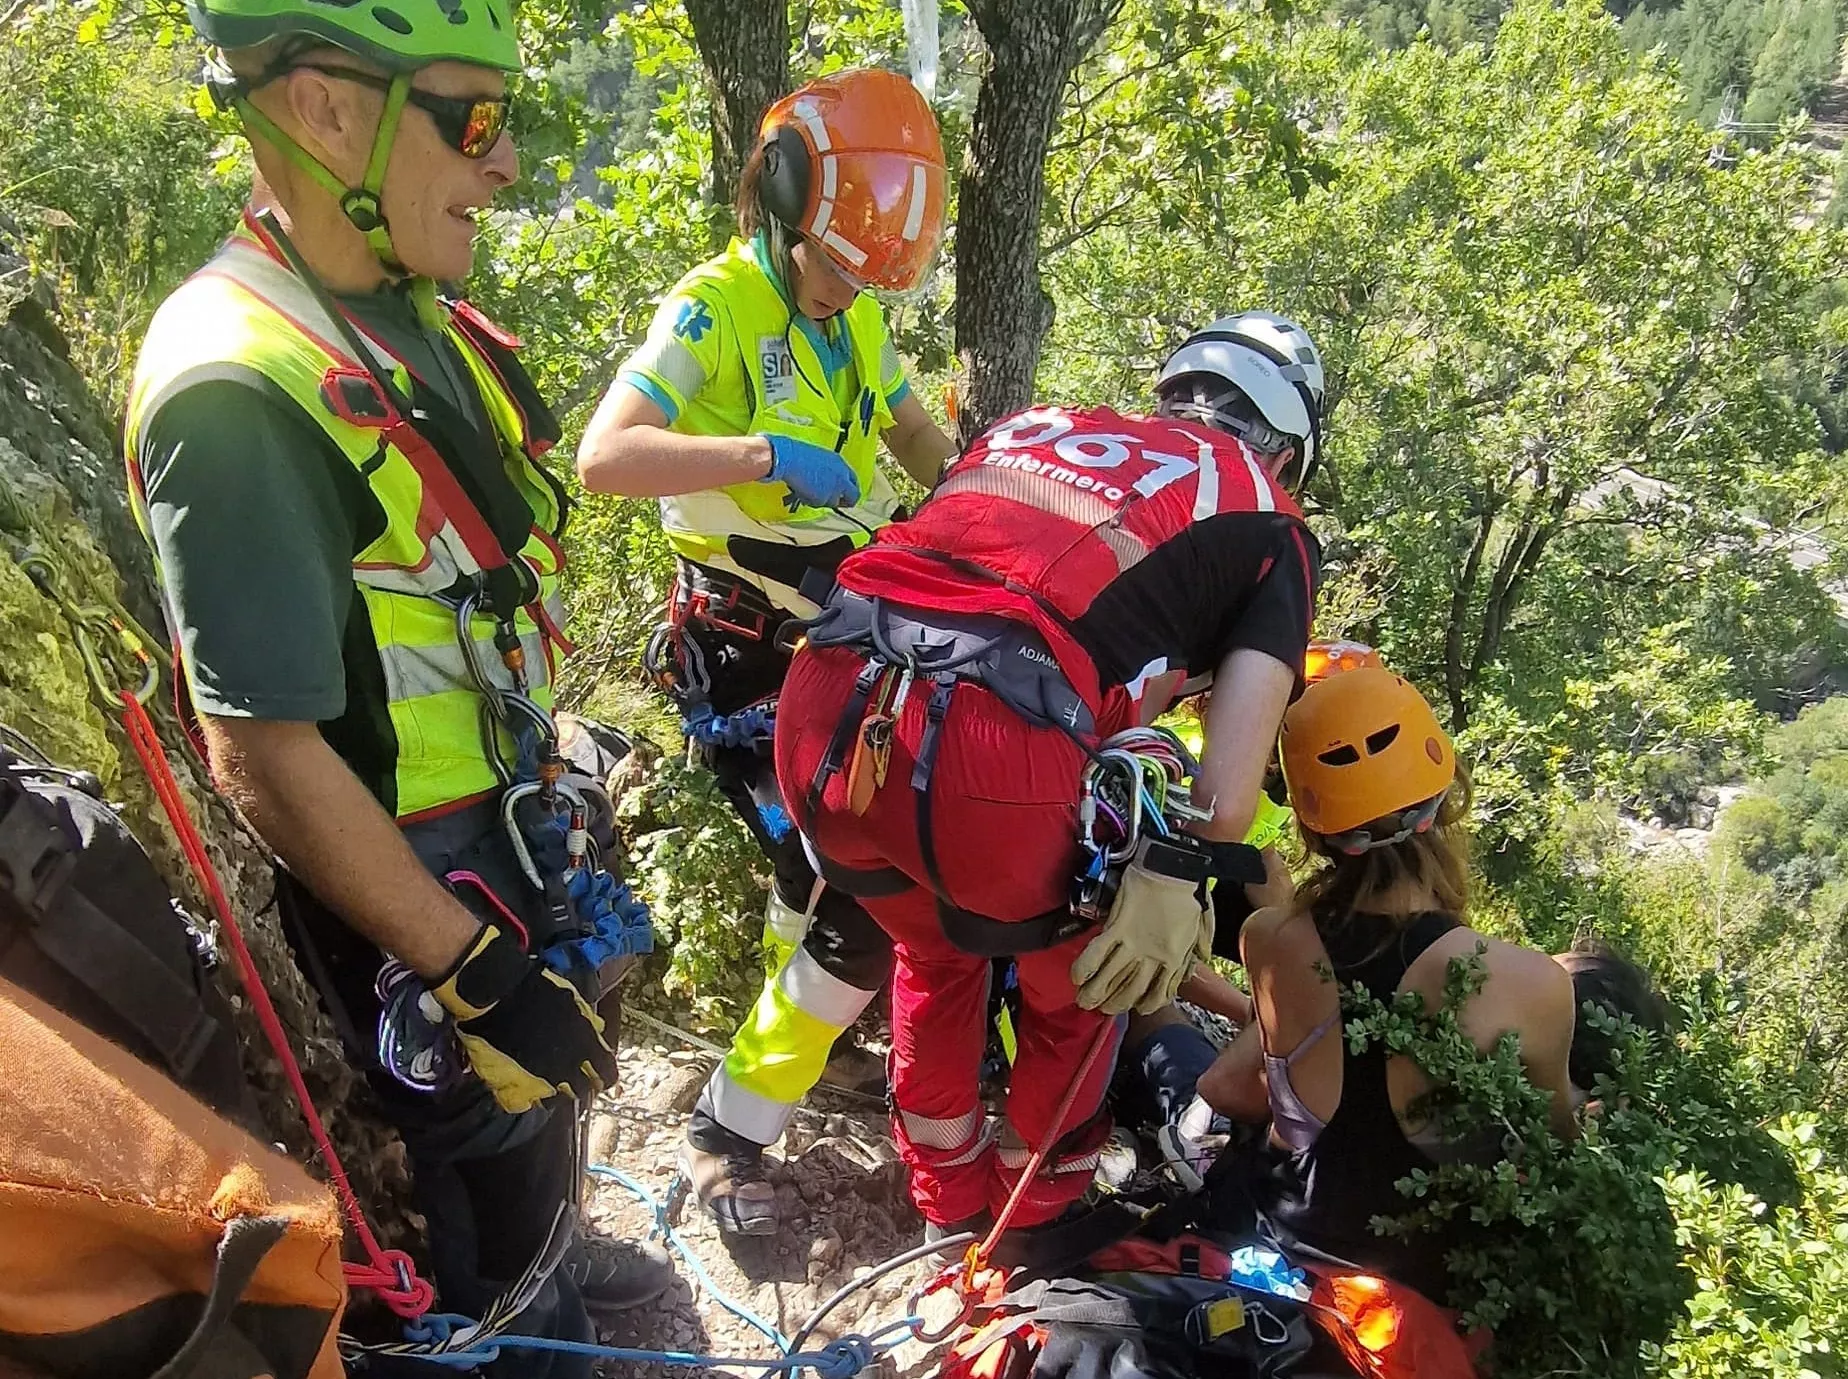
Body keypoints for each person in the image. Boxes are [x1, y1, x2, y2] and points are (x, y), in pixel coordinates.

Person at [122, 0, 671, 1370]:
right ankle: (526, 1330)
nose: (505, 166)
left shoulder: (404, 313)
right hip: (411, 889)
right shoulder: (234, 390)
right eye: (476, 121)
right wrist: (468, 966)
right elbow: (261, 749)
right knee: (473, 1156)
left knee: (546, 1091)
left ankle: (559, 1234)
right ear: (322, 109)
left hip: (502, 814)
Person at [773, 312, 1328, 1235]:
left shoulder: (1034, 425)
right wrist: (1170, 871)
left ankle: (945, 1214)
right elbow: (1226, 801)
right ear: (1292, 448)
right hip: (998, 757)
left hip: (825, 710)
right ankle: (1027, 1229)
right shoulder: (1271, 519)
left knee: (933, 955)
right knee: (1079, 992)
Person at [576, 68, 958, 1235]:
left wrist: (988, 488)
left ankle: (797, 1044)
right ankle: (726, 1128)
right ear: (791, 204)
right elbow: (607, 455)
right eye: (837, 263)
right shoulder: (715, 306)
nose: (848, 290)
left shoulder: (859, 311)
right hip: (746, 648)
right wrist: (758, 457)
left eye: (865, 274)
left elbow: (904, 422)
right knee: (845, 878)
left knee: (813, 882)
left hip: (841, 616)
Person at [1195, 666, 1578, 1300]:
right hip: (1413, 1289)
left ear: (1313, 828)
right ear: (1447, 794)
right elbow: (1554, 1141)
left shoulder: (1266, 940)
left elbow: (1255, 1086)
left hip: (1277, 1246)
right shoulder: (1532, 982)